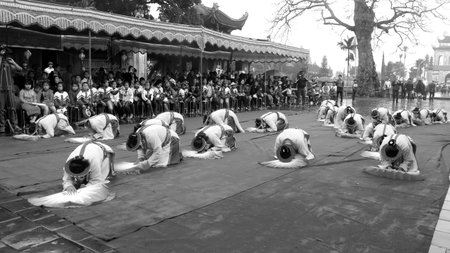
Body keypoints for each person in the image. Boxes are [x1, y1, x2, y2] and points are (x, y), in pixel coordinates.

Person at [28, 141, 115, 208]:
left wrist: (86, 187)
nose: (77, 179)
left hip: (104, 151)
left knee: (100, 183)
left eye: (80, 176)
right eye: (74, 176)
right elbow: (66, 179)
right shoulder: (68, 164)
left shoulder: (94, 162)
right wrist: (69, 186)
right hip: (90, 149)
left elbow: (96, 180)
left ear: (88, 171)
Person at [0, 44, 23, 134]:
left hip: (10, 88)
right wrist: (0, 56)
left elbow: (20, 69)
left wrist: (13, 62)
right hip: (1, 89)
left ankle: (15, 125)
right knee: (1, 109)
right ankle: (2, 127)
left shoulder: (9, 63)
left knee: (12, 107)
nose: (4, 52)